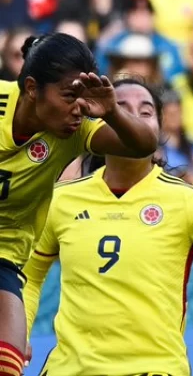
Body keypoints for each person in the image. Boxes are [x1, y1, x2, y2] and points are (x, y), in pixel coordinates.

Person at [22, 78, 193, 376]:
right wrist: (19, 332)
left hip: (154, 368)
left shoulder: (189, 201)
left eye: (145, 112)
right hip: (70, 369)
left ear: (159, 130)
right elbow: (29, 279)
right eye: (119, 109)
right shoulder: (62, 200)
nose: (131, 119)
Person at [0, 32, 158, 376]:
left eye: (84, 99)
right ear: (31, 88)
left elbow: (143, 144)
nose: (79, 108)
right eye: (70, 95)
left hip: (5, 256)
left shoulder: (77, 130)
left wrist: (112, 110)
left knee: (7, 364)